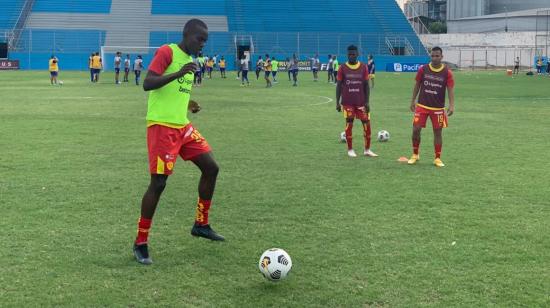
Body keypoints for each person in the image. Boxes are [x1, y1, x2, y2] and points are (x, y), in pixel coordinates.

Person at [134, 18, 224, 265]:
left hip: (182, 126)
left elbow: (176, 93)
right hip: (162, 127)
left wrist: (189, 103)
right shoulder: (168, 52)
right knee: (159, 183)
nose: (202, 44)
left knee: (211, 168)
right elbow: (148, 83)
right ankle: (140, 242)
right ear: (187, 35)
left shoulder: (190, 61)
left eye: (205, 40)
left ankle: (201, 224)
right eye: (199, 39)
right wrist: (178, 73)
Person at [408, 47, 455, 168]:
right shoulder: (423, 69)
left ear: (441, 57)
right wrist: (413, 100)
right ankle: (415, 154)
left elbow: (450, 89)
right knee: (416, 129)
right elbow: (417, 85)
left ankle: (437, 158)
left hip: (438, 108)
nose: (434, 58)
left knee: (438, 132)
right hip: (422, 105)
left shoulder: (447, 72)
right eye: (432, 56)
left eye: (437, 56)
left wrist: (451, 105)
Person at [335, 45, 377, 158]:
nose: (351, 56)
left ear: (357, 54)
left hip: (361, 102)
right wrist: (337, 102)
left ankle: (367, 149)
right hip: (347, 102)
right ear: (347, 55)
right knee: (349, 124)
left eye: (353, 54)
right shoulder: (342, 68)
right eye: (349, 54)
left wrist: (367, 102)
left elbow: (366, 86)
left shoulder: (363, 67)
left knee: (367, 124)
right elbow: (338, 86)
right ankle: (350, 149)